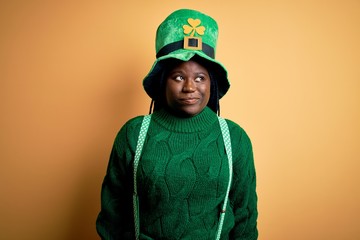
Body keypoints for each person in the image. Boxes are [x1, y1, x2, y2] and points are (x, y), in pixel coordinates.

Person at [96, 9, 258, 240]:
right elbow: (111, 216)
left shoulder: (234, 138)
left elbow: (245, 218)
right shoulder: (134, 133)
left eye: (200, 78)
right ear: (163, 82)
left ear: (212, 83)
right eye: (179, 77)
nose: (190, 87)